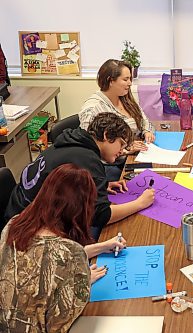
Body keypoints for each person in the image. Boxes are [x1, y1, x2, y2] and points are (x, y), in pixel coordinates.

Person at [4, 112, 155, 240]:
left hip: (16, 211)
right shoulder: (88, 160)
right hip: (27, 231)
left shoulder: (73, 142)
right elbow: (101, 216)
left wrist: (94, 185)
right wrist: (140, 203)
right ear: (107, 135)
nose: (122, 151)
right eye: (120, 144)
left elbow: (63, 182)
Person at [0, 164, 94, 332]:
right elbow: (60, 322)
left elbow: (38, 257)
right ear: (81, 209)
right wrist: (82, 284)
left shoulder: (12, 225)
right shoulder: (71, 253)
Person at [79, 59, 156, 180]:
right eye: (125, 79)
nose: (130, 83)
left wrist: (146, 131)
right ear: (110, 81)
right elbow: (91, 150)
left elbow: (143, 119)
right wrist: (125, 149)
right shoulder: (93, 108)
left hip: (134, 156)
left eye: (130, 79)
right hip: (110, 165)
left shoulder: (125, 98)